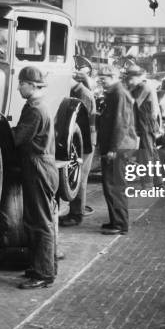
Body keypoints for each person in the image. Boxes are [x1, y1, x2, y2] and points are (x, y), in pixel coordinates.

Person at [13, 66, 60, 289]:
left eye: (21, 83)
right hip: (42, 167)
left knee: (40, 222)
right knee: (39, 220)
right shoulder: (38, 105)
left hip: (38, 169)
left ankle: (43, 274)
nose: (18, 87)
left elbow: (18, 138)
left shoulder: (34, 109)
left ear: (32, 85)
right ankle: (41, 267)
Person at [97, 65, 138, 236]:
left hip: (119, 148)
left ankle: (121, 224)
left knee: (115, 186)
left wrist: (113, 148)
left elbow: (120, 124)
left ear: (113, 76)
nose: (101, 81)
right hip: (118, 146)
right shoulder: (115, 93)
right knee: (110, 185)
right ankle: (116, 220)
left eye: (103, 78)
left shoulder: (119, 94)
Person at [60, 72, 96, 227]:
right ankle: (75, 211)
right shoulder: (78, 92)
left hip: (85, 142)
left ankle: (76, 214)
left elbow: (83, 123)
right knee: (77, 177)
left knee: (79, 177)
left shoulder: (84, 95)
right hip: (80, 141)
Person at [124, 66, 160, 182]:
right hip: (144, 123)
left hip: (147, 124)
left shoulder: (144, 87)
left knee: (146, 154)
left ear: (138, 77)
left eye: (131, 78)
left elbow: (133, 102)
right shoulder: (138, 86)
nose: (129, 80)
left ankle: (148, 183)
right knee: (151, 152)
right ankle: (158, 181)